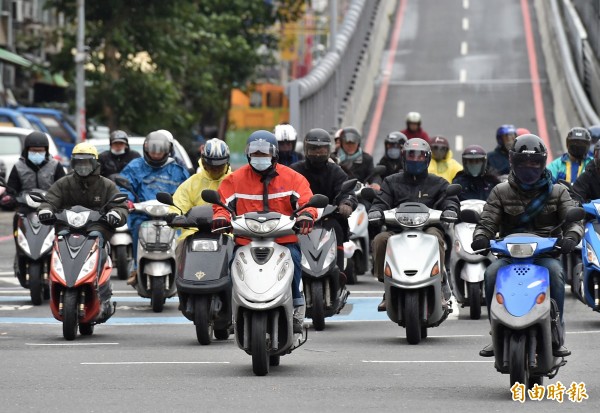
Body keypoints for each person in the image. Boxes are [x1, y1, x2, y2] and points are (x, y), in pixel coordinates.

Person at [471, 134, 582, 358]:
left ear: (542, 163)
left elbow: (574, 221)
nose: (528, 168)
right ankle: (496, 332)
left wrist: (571, 237)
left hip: (545, 255)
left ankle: (555, 332)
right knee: (491, 273)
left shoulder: (558, 191)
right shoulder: (500, 191)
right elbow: (487, 222)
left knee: (556, 273)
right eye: (523, 163)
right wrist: (481, 236)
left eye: (534, 163)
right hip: (509, 254)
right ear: (513, 162)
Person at [211, 130, 317, 333]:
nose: (260, 158)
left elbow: (306, 201)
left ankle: (296, 306)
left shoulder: (293, 178)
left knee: (294, 258)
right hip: (246, 240)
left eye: (264, 154)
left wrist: (306, 215)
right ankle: (231, 313)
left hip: (283, 240)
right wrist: (221, 217)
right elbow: (222, 204)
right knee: (229, 265)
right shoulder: (234, 179)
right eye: (255, 154)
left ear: (274, 154)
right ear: (248, 154)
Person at [368, 138, 459, 311]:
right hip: (397, 230)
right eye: (411, 155)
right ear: (403, 157)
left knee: (435, 237)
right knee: (380, 239)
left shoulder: (438, 182)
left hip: (428, 229)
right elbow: (381, 201)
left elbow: (450, 199)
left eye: (420, 156)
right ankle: (387, 288)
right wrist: (376, 211)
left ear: (427, 158)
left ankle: (438, 286)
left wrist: (451, 209)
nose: (415, 160)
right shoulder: (391, 181)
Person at [37, 142, 128, 311]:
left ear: (95, 163)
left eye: (87, 162)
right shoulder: (63, 183)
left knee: (97, 238)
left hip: (97, 228)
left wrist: (116, 214)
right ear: (73, 163)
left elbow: (120, 206)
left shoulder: (106, 185)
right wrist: (45, 210)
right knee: (60, 238)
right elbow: (49, 201)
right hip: (67, 227)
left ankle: (100, 280)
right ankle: (59, 277)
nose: (83, 166)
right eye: (79, 162)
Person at [120, 131, 190, 286]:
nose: (156, 154)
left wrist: (184, 207)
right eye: (153, 150)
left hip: (171, 215)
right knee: (137, 228)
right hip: (142, 214)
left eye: (160, 151)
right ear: (146, 149)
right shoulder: (135, 166)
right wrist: (127, 202)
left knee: (182, 237)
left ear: (167, 150)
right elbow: (124, 187)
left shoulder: (177, 169)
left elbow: (187, 190)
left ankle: (182, 269)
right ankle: (137, 266)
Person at [290, 128, 358, 285]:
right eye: (314, 148)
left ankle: (339, 273)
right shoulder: (295, 170)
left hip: (328, 217)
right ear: (306, 149)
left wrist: (346, 203)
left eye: (322, 149)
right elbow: (284, 192)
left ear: (329, 150)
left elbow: (346, 191)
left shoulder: (336, 171)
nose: (318, 153)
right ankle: (289, 274)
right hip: (300, 218)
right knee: (286, 237)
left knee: (338, 229)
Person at [1, 131, 67, 275]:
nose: (37, 153)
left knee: (63, 227)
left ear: (46, 150)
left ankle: (60, 258)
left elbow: (64, 187)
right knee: (16, 219)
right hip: (25, 209)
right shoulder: (18, 166)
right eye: (33, 151)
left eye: (40, 151)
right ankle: (20, 253)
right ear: (27, 150)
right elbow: (12, 189)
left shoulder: (55, 166)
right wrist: (8, 198)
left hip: (50, 208)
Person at [171, 138, 232, 240]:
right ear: (203, 162)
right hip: (192, 235)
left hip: (227, 233)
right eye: (211, 165)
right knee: (180, 248)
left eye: (219, 165)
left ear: (226, 163)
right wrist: (173, 215)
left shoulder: (235, 182)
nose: (215, 169)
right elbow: (178, 205)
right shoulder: (190, 184)